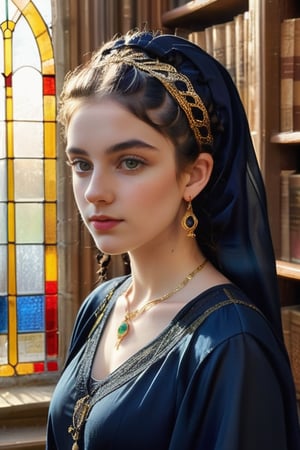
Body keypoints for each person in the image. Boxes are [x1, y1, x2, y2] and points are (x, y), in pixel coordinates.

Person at [46, 30, 300, 450]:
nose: (94, 191)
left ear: (194, 175)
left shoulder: (230, 346)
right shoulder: (101, 304)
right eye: (81, 163)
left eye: (129, 162)